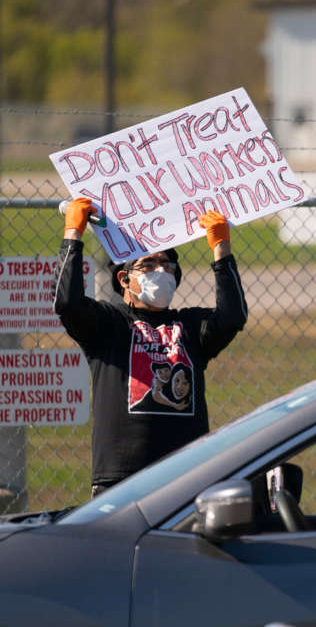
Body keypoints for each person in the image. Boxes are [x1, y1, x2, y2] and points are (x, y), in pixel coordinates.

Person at [53, 198, 248, 495]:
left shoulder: (190, 327)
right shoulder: (108, 325)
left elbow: (233, 317)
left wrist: (221, 250)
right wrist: (73, 234)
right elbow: (67, 302)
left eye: (167, 265)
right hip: (120, 478)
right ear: (124, 278)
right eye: (149, 264)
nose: (161, 270)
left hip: (187, 474)